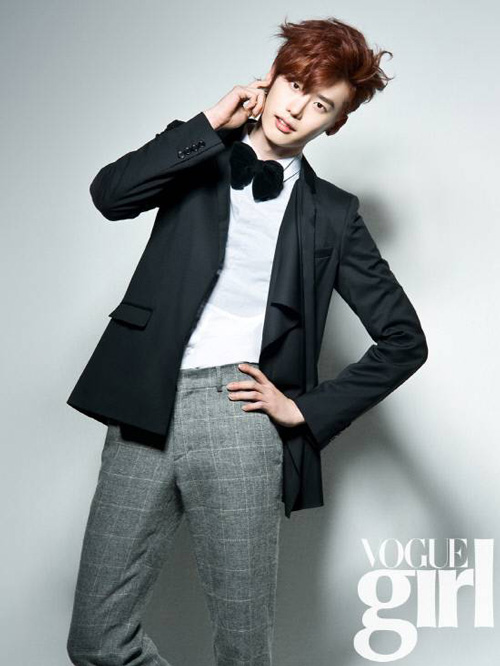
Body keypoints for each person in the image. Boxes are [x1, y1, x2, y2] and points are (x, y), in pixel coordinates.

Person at [66, 16, 428, 666]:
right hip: (143, 404)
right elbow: (110, 195)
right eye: (295, 84)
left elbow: (404, 340)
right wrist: (210, 122)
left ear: (335, 123)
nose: (298, 108)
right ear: (272, 77)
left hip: (240, 417)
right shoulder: (197, 153)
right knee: (96, 638)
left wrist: (304, 409)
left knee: (242, 648)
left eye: (322, 104)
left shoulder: (333, 216)